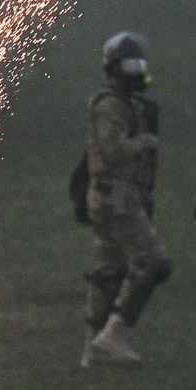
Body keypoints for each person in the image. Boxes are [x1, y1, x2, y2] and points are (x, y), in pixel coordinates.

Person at [80, 32, 172, 368]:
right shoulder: (110, 105)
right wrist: (145, 142)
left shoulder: (123, 103)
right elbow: (112, 149)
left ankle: (93, 350)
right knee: (154, 263)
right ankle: (114, 333)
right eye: (130, 65)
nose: (137, 71)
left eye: (140, 65)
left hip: (111, 198)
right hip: (117, 199)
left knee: (109, 271)